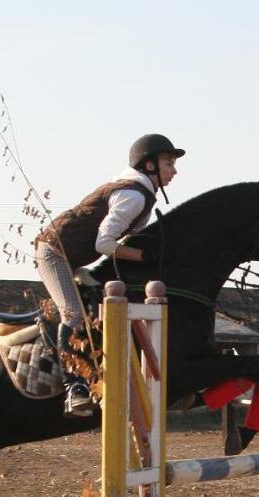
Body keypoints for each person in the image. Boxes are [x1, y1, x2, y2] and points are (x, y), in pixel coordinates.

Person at [35, 134, 185, 416]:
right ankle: (74, 387)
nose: (174, 170)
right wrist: (144, 256)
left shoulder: (140, 194)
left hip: (76, 257)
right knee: (74, 315)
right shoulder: (132, 196)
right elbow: (103, 245)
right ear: (150, 165)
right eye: (169, 163)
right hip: (55, 253)